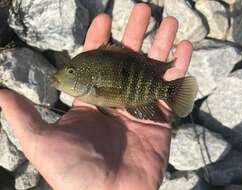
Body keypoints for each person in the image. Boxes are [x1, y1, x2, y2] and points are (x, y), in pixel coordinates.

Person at [0, 3, 192, 190]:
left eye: (71, 72)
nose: (63, 75)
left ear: (85, 76)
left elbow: (108, 96)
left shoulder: (92, 79)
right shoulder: (88, 75)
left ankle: (170, 91)